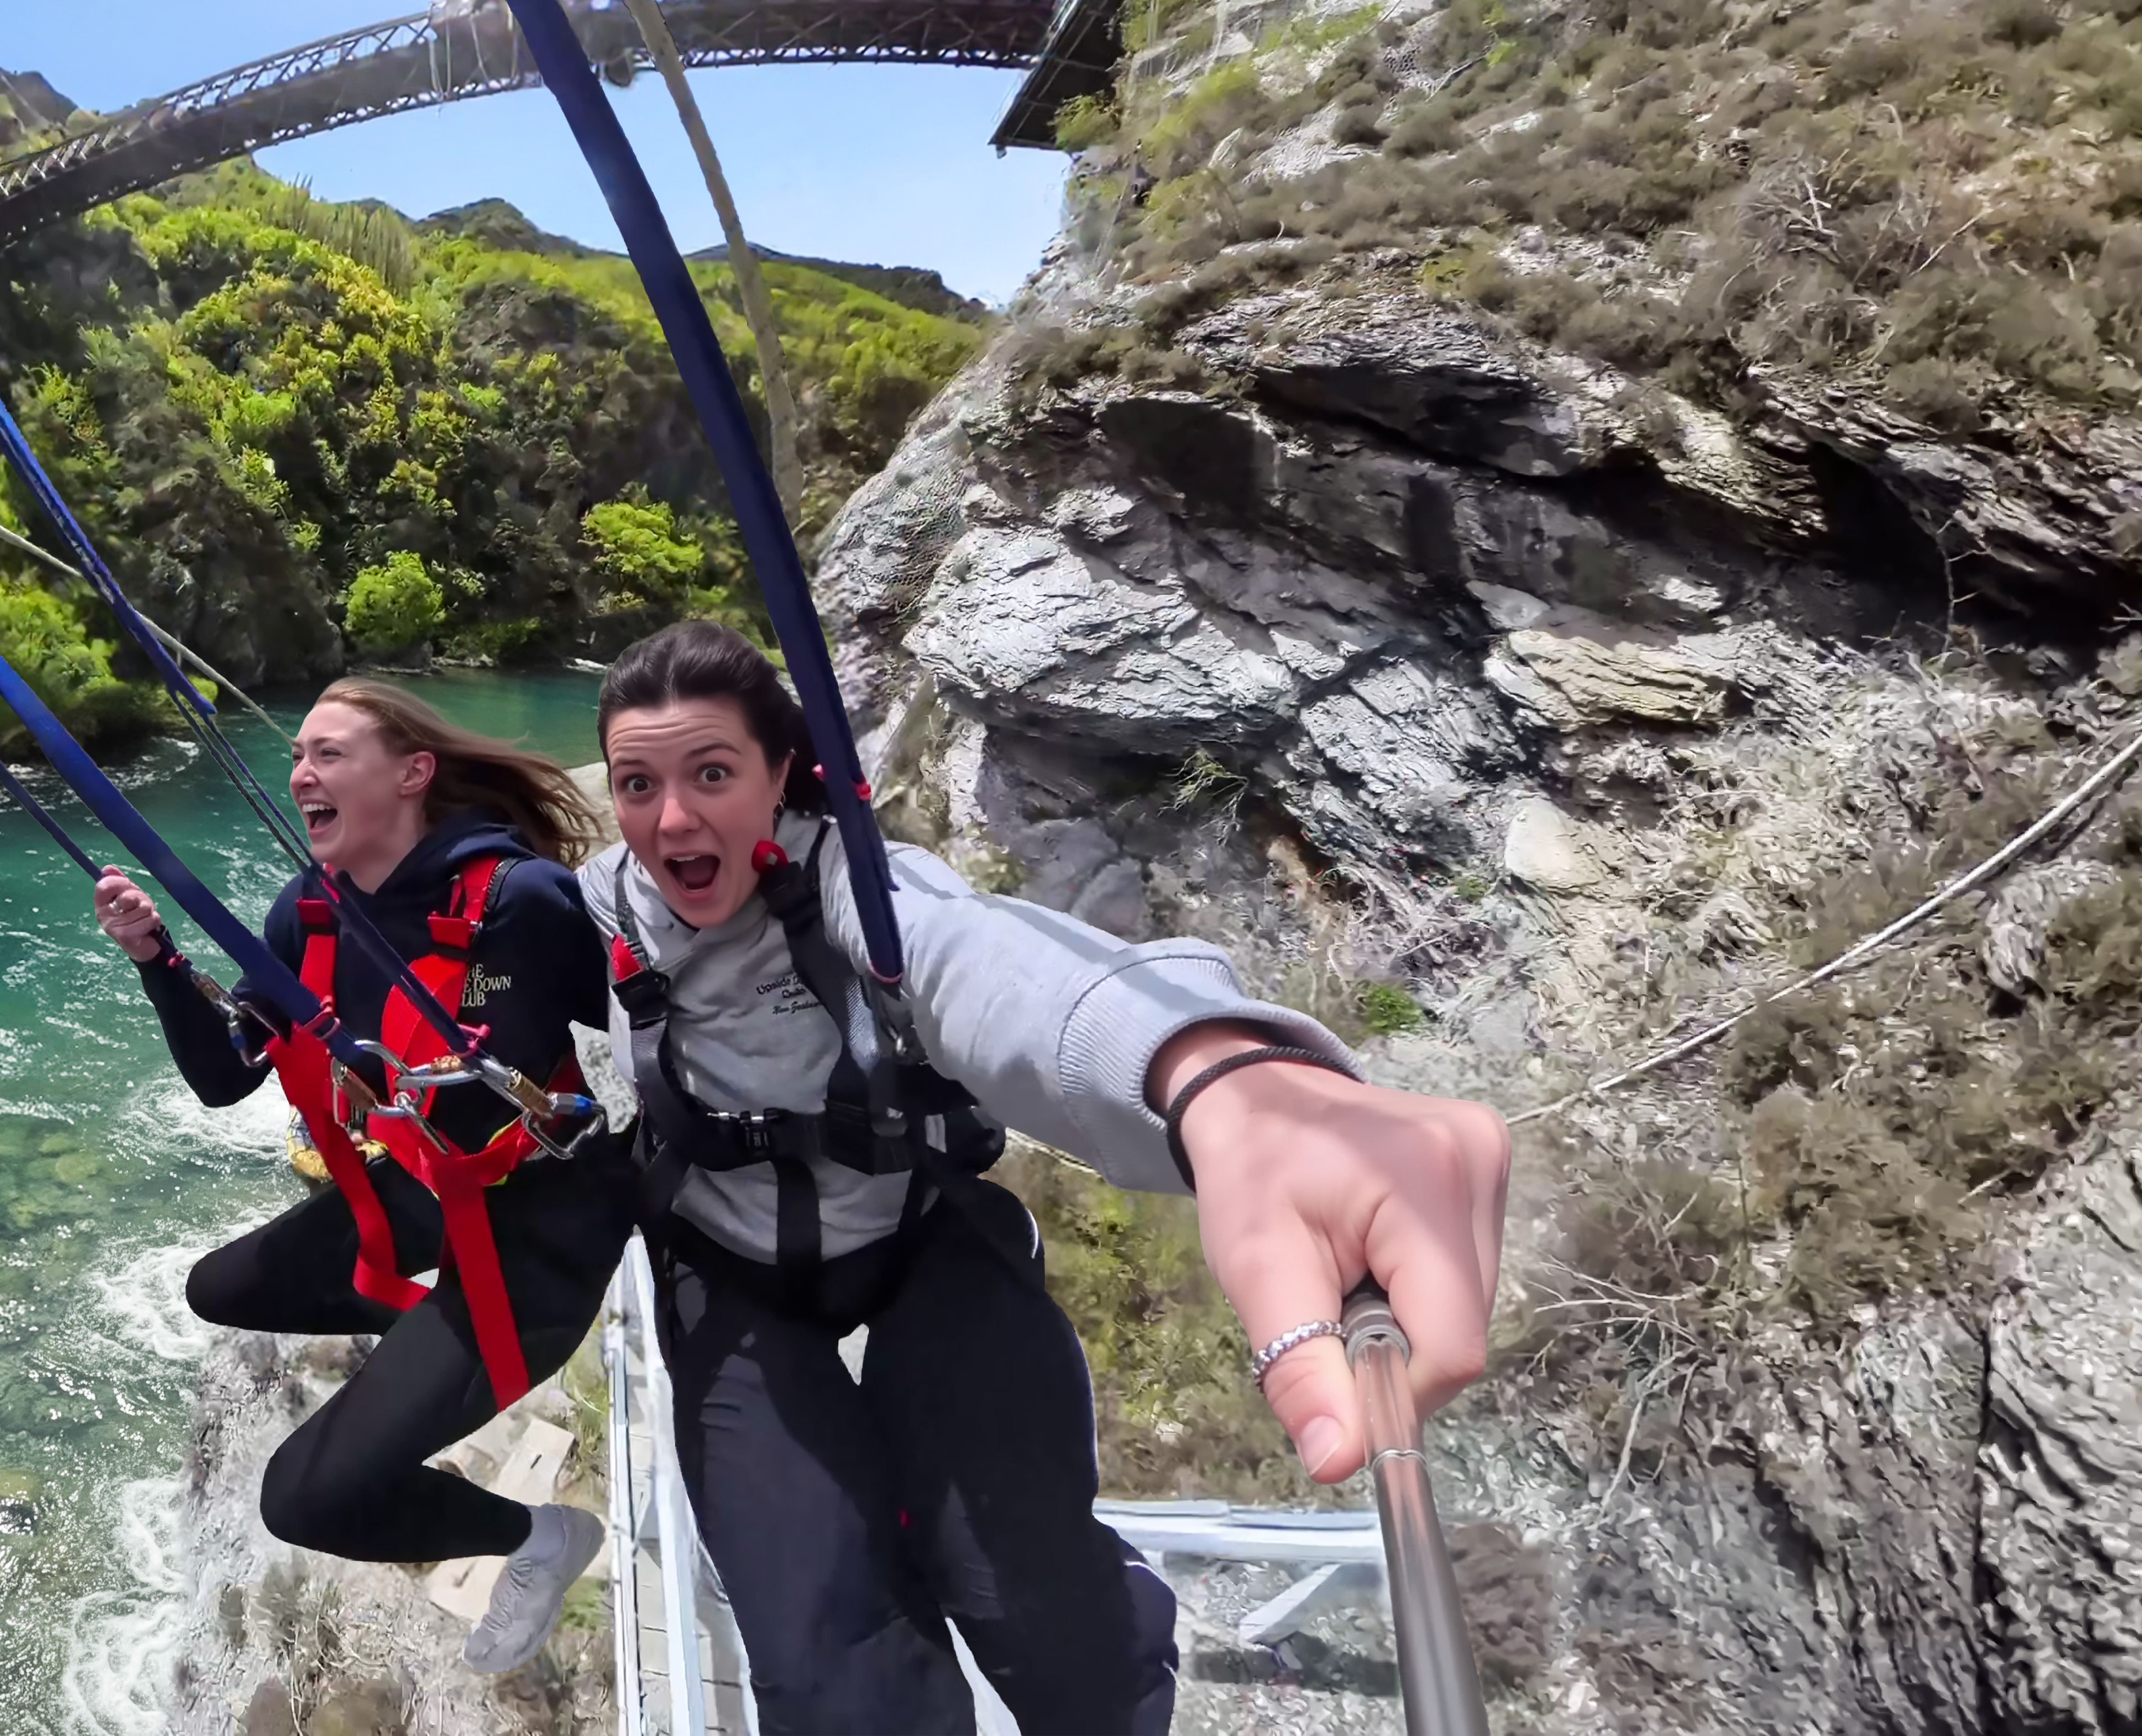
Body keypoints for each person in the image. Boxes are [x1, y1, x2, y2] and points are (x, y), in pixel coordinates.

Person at [581, 621, 1513, 1736]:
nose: (672, 819)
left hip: (916, 1235)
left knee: (1043, 1611)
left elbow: (982, 964)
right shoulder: (598, 909)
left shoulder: (860, 886)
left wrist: (1217, 1078)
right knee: (826, 1669)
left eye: (712, 774)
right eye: (637, 785)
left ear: (781, 775)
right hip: (727, 1272)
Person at [93, 678, 635, 1674]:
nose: (302, 773)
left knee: (305, 1499)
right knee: (218, 1286)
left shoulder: (510, 906)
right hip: (433, 1198)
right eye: (297, 756)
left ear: (413, 773)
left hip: (543, 1232)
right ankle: (430, 1354)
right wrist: (159, 963)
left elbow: (582, 1045)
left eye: (329, 753)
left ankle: (543, 1542)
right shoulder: (310, 914)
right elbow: (223, 1077)